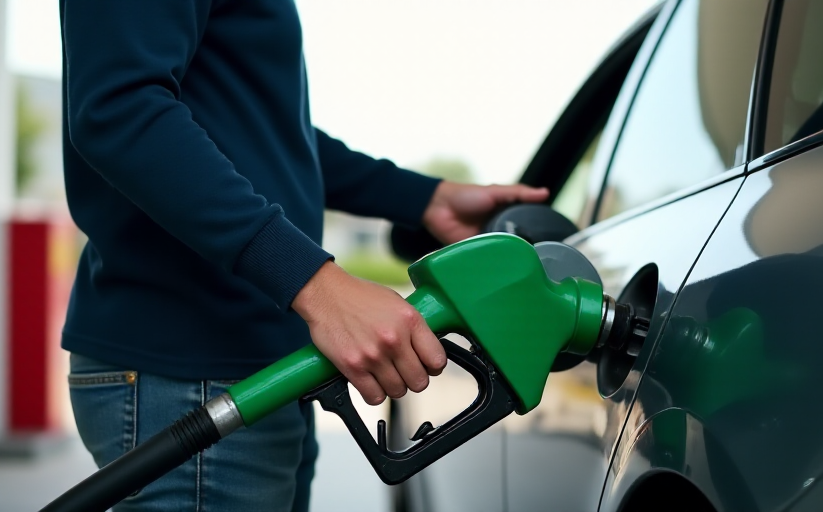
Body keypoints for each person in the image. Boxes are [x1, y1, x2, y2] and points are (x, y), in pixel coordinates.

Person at [59, 1, 547, 511]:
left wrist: (421, 198)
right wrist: (317, 286)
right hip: (191, 370)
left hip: (261, 366)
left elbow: (257, 132)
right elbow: (119, 110)